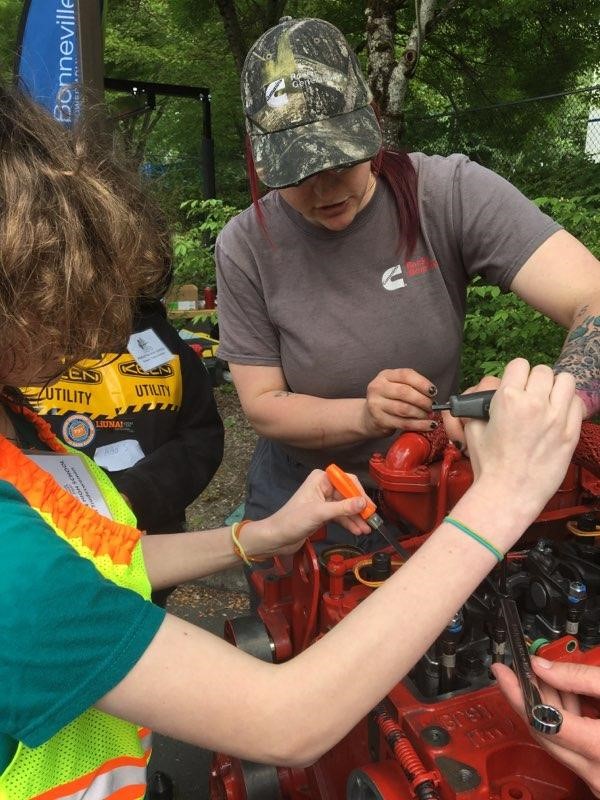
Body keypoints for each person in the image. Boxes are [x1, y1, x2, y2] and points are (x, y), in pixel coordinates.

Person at [0, 85, 584, 800]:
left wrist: (259, 535)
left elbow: (104, 557)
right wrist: (507, 492)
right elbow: (285, 719)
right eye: (56, 322)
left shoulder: (18, 438)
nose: (73, 355)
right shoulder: (14, 572)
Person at [215, 16, 600, 546]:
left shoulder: (445, 192)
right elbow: (264, 405)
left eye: (340, 162)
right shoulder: (245, 246)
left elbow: (593, 294)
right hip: (308, 491)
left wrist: (548, 404)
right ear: (259, 158)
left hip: (434, 478)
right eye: (296, 173)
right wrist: (369, 414)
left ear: (369, 126)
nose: (323, 190)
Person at [22, 295, 224, 605]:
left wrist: (133, 496)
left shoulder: (157, 337)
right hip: (45, 549)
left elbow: (200, 436)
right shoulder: (22, 336)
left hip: (147, 551)